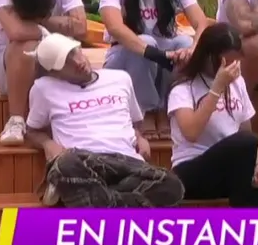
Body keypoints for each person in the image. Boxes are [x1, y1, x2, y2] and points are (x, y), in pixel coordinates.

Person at [24, 33, 184, 208]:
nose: (77, 62)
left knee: (172, 185)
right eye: (65, 63)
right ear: (54, 73)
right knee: (65, 164)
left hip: (127, 160)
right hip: (84, 160)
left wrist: (140, 137)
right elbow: (31, 131)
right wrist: (47, 143)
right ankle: (113, 202)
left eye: (74, 52)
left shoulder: (120, 78)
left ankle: (95, 200)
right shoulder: (44, 88)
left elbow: (135, 123)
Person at [166, 24, 258, 207]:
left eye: (235, 61)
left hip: (232, 174)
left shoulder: (237, 83)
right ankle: (243, 207)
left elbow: (245, 128)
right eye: (226, 61)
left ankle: (249, 210)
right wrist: (217, 88)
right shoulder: (183, 88)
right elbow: (191, 132)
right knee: (245, 142)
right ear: (208, 56)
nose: (231, 67)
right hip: (192, 171)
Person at [99, 0, 209, 137]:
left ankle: (166, 109)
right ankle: (146, 111)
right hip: (126, 56)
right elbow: (115, 27)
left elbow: (201, 22)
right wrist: (155, 53)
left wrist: (192, 48)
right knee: (146, 42)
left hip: (162, 53)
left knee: (183, 42)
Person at [0, 0, 88, 146]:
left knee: (76, 57)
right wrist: (51, 29)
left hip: (56, 58)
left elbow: (81, 28)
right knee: (24, 44)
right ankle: (16, 121)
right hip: (8, 66)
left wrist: (37, 24)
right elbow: (16, 32)